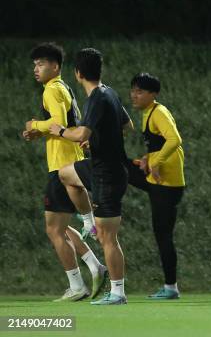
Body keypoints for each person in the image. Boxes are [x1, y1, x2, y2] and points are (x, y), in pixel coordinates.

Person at [22, 42, 107, 302]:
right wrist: (39, 132)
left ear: (56, 66)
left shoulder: (51, 90)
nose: (36, 69)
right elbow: (66, 123)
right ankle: (94, 267)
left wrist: (36, 123)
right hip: (68, 161)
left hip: (61, 166)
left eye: (41, 64)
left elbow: (57, 121)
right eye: (35, 64)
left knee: (54, 229)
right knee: (60, 227)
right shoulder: (63, 87)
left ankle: (78, 284)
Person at [50, 48, 133, 305]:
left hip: (107, 176)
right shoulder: (110, 92)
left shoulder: (96, 98)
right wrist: (98, 139)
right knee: (66, 175)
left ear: (77, 73)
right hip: (99, 168)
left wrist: (60, 130)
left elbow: (80, 135)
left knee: (108, 237)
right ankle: (87, 222)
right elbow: (126, 125)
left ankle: (118, 292)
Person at [129, 73, 185, 299]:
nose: (134, 95)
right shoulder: (148, 113)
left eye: (140, 91)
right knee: (120, 166)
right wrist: (147, 158)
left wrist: (157, 162)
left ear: (153, 94)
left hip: (167, 183)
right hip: (158, 180)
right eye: (133, 90)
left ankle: (171, 288)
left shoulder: (158, 112)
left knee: (163, 235)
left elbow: (175, 140)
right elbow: (160, 144)